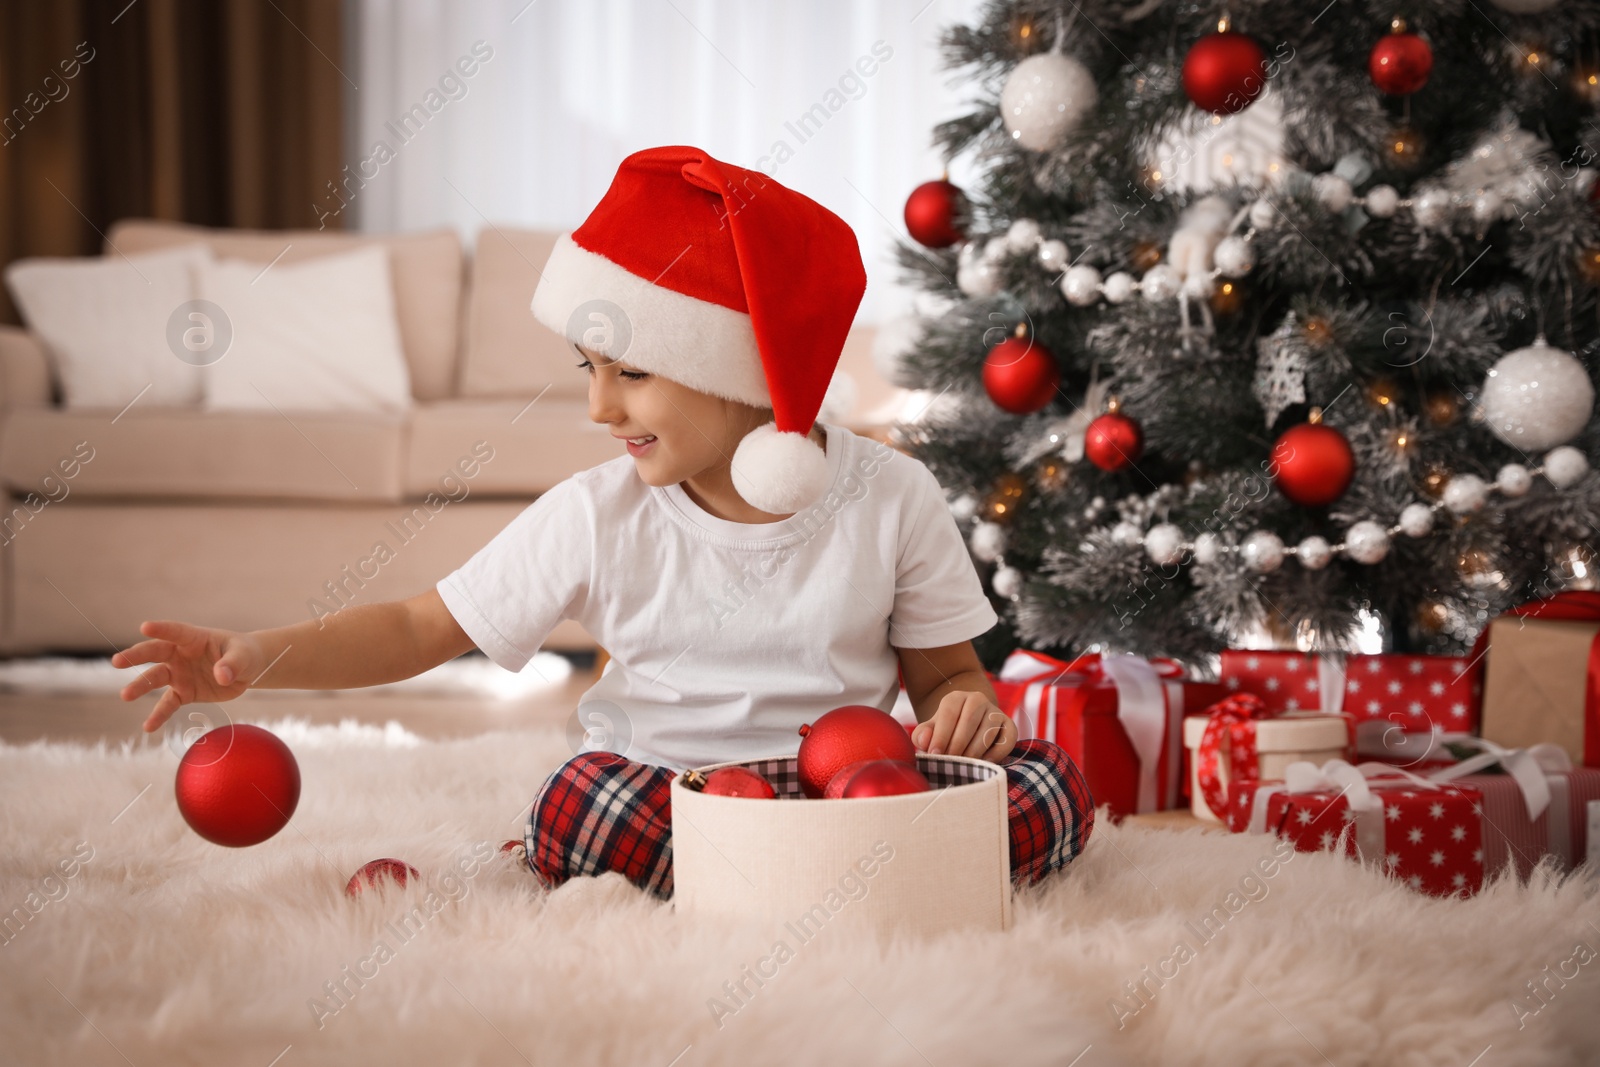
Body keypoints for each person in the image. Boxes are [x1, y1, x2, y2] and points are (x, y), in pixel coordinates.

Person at [111, 145, 1095, 899]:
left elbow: (948, 679)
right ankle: (809, 884)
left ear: (742, 372)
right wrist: (257, 654)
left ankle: (806, 876)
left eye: (631, 372)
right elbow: (422, 625)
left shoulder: (891, 495)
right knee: (578, 802)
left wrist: (971, 711)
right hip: (678, 802)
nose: (599, 408)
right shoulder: (596, 514)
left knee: (1048, 782)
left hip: (851, 798)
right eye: (589, 370)